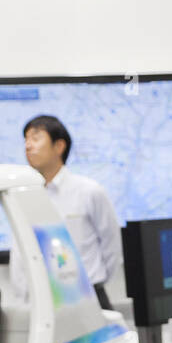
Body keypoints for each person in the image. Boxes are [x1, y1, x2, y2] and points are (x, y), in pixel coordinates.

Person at [9, 115, 122, 308]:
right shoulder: (24, 196)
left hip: (88, 299)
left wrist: (93, 284)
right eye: (26, 140)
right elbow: (19, 253)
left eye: (35, 138)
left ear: (59, 146)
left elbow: (112, 246)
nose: (28, 146)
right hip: (42, 305)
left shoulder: (88, 191)